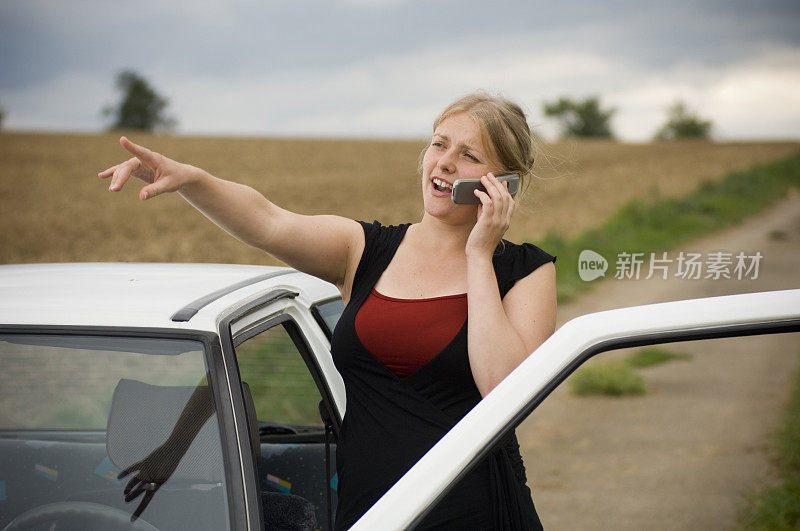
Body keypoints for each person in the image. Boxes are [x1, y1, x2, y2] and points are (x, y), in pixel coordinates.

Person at [99, 91, 556, 530]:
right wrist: (194, 181)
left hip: (476, 514)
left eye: (470, 156)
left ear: (503, 183)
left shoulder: (524, 271)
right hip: (369, 511)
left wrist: (479, 257)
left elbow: (504, 392)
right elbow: (269, 221)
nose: (445, 162)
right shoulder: (363, 249)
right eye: (439, 143)